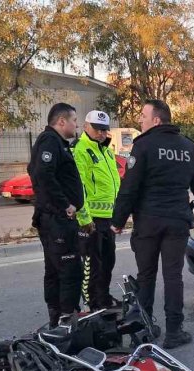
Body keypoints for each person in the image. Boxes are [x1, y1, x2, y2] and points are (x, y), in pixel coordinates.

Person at [111, 100, 194, 349]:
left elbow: (129, 187)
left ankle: (145, 329)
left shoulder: (143, 146)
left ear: (157, 120)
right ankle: (175, 331)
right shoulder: (190, 148)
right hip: (177, 221)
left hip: (148, 221)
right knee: (173, 276)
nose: (139, 120)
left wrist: (118, 221)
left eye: (143, 116)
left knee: (147, 275)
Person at [28, 103, 87, 327]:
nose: (76, 124)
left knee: (54, 270)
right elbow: (42, 174)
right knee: (70, 270)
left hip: (53, 219)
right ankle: (66, 318)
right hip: (58, 221)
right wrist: (64, 205)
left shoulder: (56, 144)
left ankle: (57, 318)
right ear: (61, 121)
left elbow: (33, 170)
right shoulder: (50, 141)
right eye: (73, 120)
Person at [73, 110, 121, 311]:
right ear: (86, 127)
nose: (101, 133)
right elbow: (78, 186)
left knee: (108, 262)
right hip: (91, 219)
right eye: (97, 128)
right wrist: (84, 218)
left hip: (108, 219)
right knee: (92, 266)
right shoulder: (80, 150)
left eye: (104, 129)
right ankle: (93, 305)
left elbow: (114, 183)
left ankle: (103, 297)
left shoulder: (106, 151)